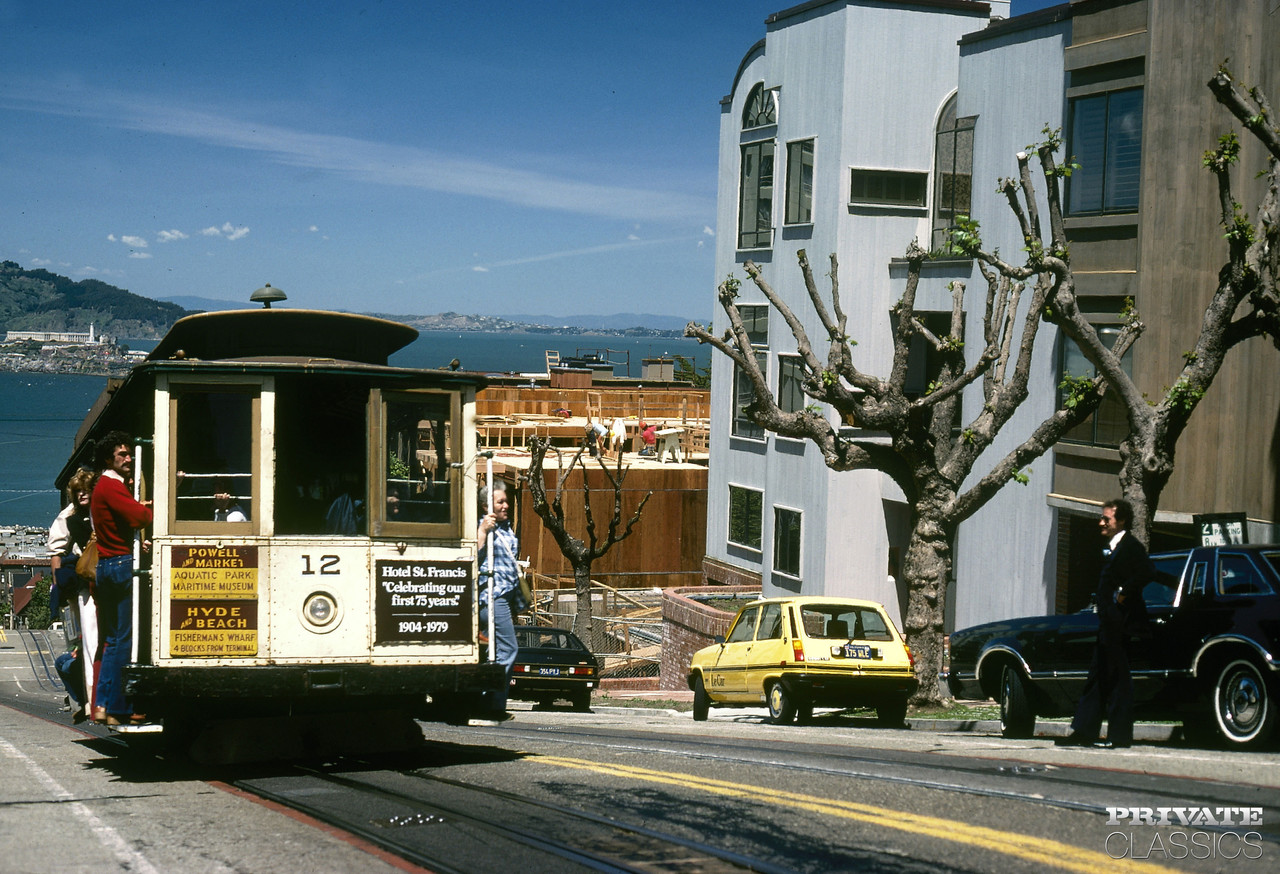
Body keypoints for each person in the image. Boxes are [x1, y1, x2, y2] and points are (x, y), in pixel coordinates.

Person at [1057, 499, 1154, 749]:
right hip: (1107, 623)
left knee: (1118, 679)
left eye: (1106, 519)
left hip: (1122, 624)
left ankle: (1119, 736)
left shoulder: (1131, 546)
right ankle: (1084, 731)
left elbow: (1146, 572)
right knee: (1097, 676)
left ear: (1120, 521)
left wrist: (1123, 593)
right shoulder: (1111, 547)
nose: (1101, 522)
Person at [90, 430, 153, 726]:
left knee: (112, 641)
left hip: (105, 565)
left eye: (129, 454)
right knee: (123, 640)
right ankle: (118, 707)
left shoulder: (102, 485)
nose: (128, 459)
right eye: (122, 455)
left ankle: (102, 705)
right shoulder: (111, 485)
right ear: (108, 459)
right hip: (120, 565)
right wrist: (153, 509)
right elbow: (139, 518)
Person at [46, 469, 97, 722]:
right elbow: (56, 551)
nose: (82, 495)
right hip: (83, 581)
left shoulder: (100, 510)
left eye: (86, 490)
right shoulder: (69, 517)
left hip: (100, 578)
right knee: (81, 640)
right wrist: (59, 585)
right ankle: (86, 698)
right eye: (78, 492)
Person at [476, 479, 520, 722]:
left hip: (506, 596)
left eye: (506, 501)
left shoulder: (508, 530)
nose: (506, 506)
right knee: (509, 648)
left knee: (491, 653)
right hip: (491, 596)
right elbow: (474, 554)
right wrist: (483, 530)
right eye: (500, 502)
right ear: (486, 506)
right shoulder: (483, 527)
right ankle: (493, 703)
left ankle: (484, 698)